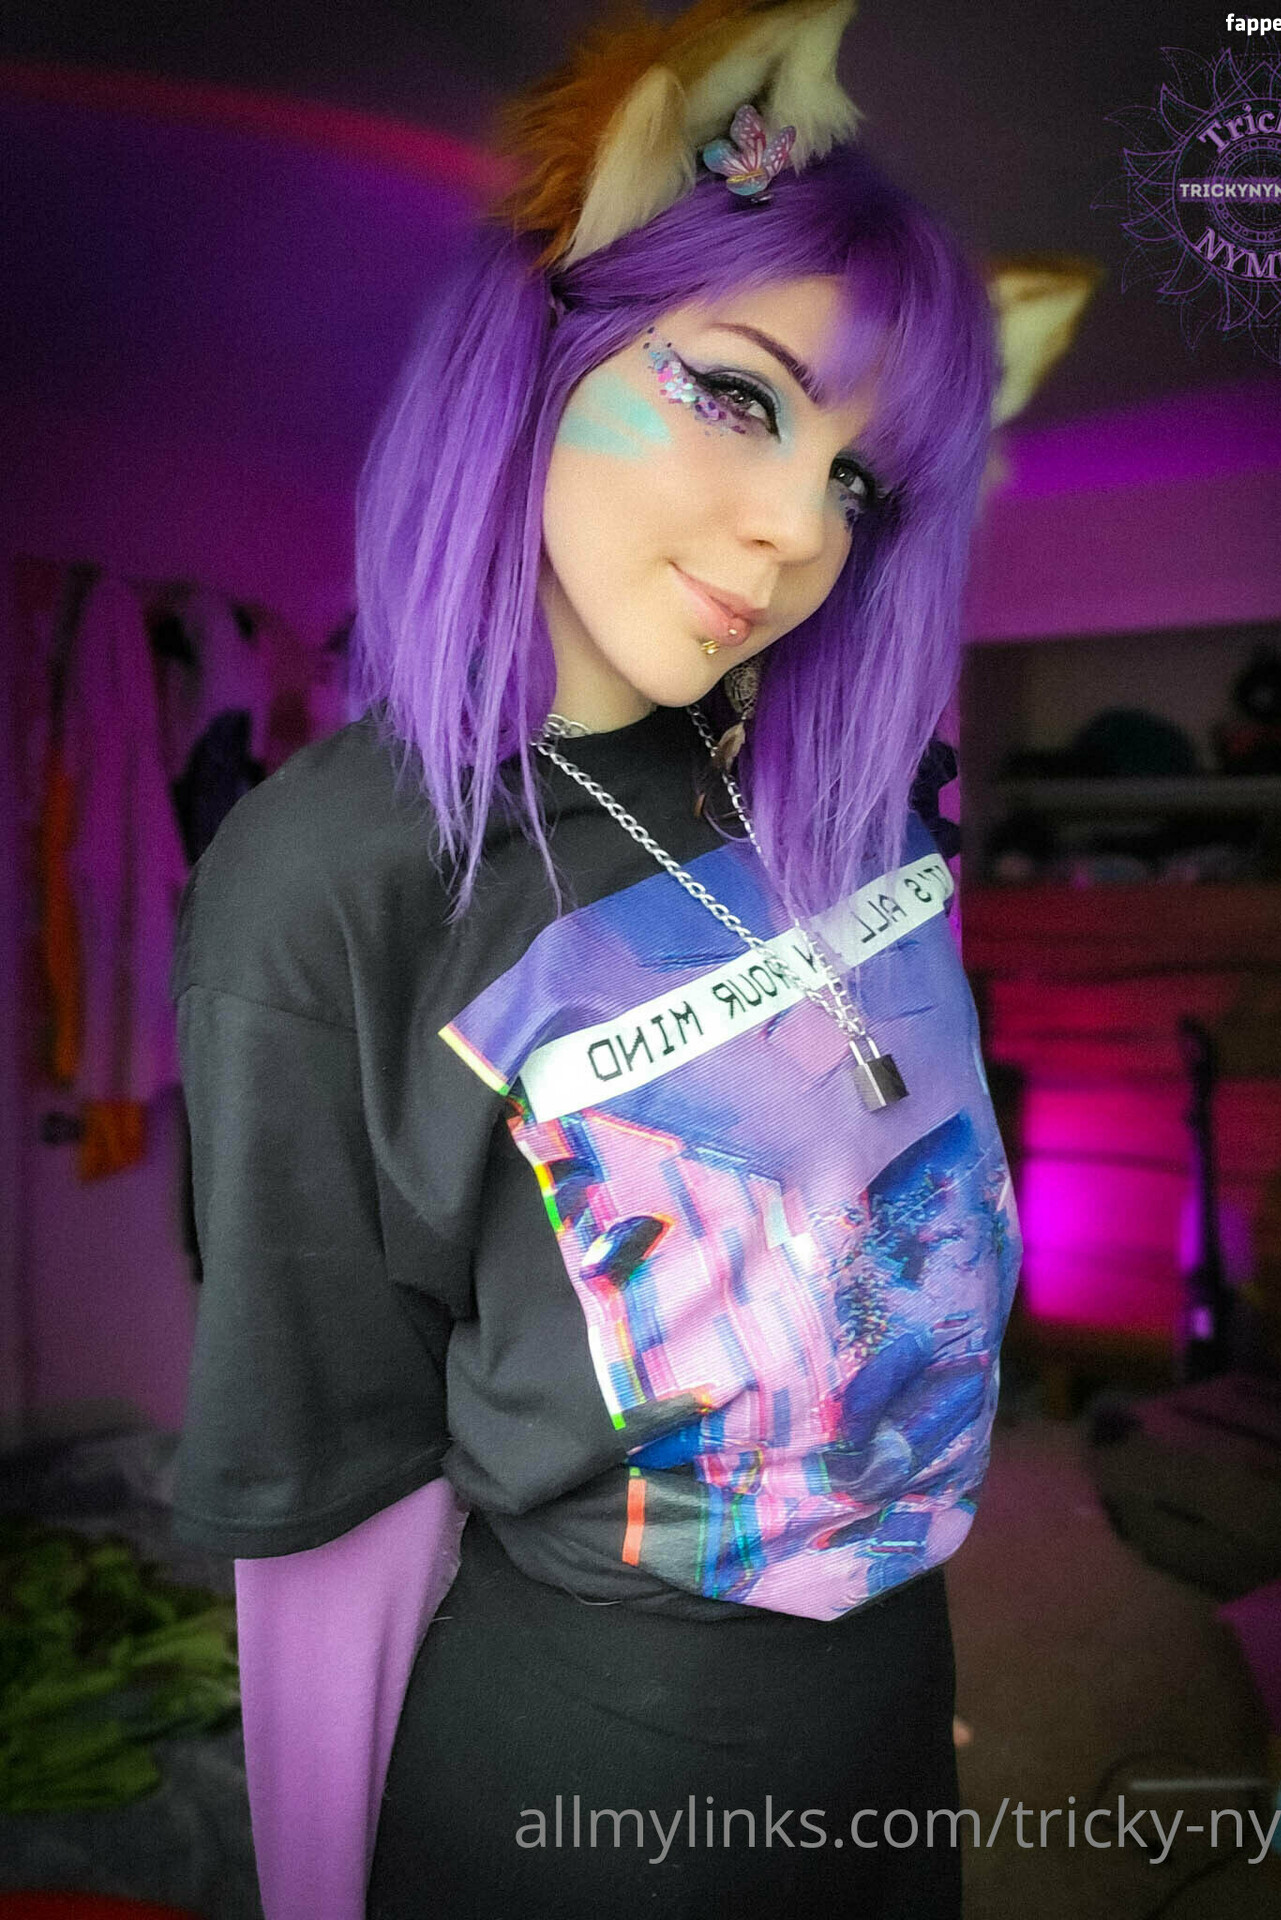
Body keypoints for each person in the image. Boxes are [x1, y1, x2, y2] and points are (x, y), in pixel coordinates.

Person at [167, 2, 1023, 1915]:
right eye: (740, 396)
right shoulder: (335, 881)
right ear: (549, 347)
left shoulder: (861, 791)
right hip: (591, 1788)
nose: (799, 531)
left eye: (861, 484)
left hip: (898, 1707)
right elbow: (326, 1496)